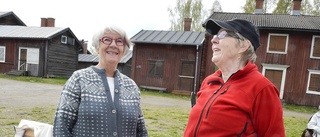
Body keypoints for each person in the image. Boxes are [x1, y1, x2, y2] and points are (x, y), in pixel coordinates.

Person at [184, 18, 285, 137]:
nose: (213, 40)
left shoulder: (262, 89)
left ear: (243, 45)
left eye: (222, 35)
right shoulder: (209, 81)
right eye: (215, 35)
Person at [53, 25, 148, 137]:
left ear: (123, 50)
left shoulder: (131, 86)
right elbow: (61, 127)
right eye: (107, 40)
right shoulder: (79, 79)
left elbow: (141, 132)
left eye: (119, 41)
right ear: (98, 47)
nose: (113, 45)